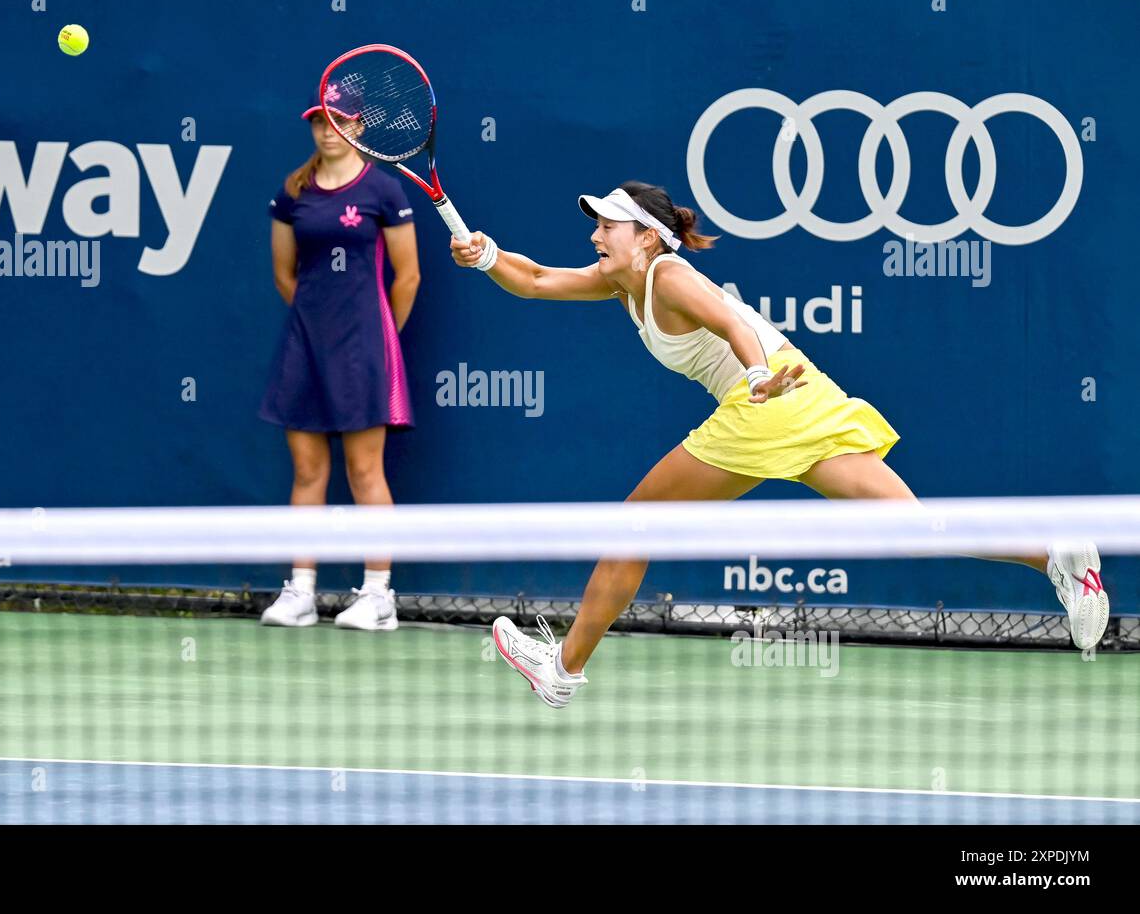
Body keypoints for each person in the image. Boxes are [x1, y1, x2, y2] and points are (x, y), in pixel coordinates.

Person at [451, 181, 1109, 707]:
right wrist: (486, 256)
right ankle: (1056, 555)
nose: (594, 235)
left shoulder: (669, 278)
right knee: (909, 527)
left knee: (634, 527)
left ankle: (564, 669)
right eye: (594, 224)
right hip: (806, 395)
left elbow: (733, 320)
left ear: (647, 238)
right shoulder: (621, 280)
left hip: (764, 403)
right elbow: (534, 278)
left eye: (607, 225)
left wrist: (759, 376)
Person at [259, 89, 420, 632]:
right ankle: (300, 591)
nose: (328, 130)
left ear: (359, 126)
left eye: (339, 120)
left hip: (365, 348)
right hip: (304, 344)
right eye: (319, 121)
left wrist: (378, 340)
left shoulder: (383, 189)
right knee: (307, 470)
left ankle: (378, 597)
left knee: (363, 469)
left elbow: (409, 275)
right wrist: (318, 327)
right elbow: (285, 274)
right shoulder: (293, 191)